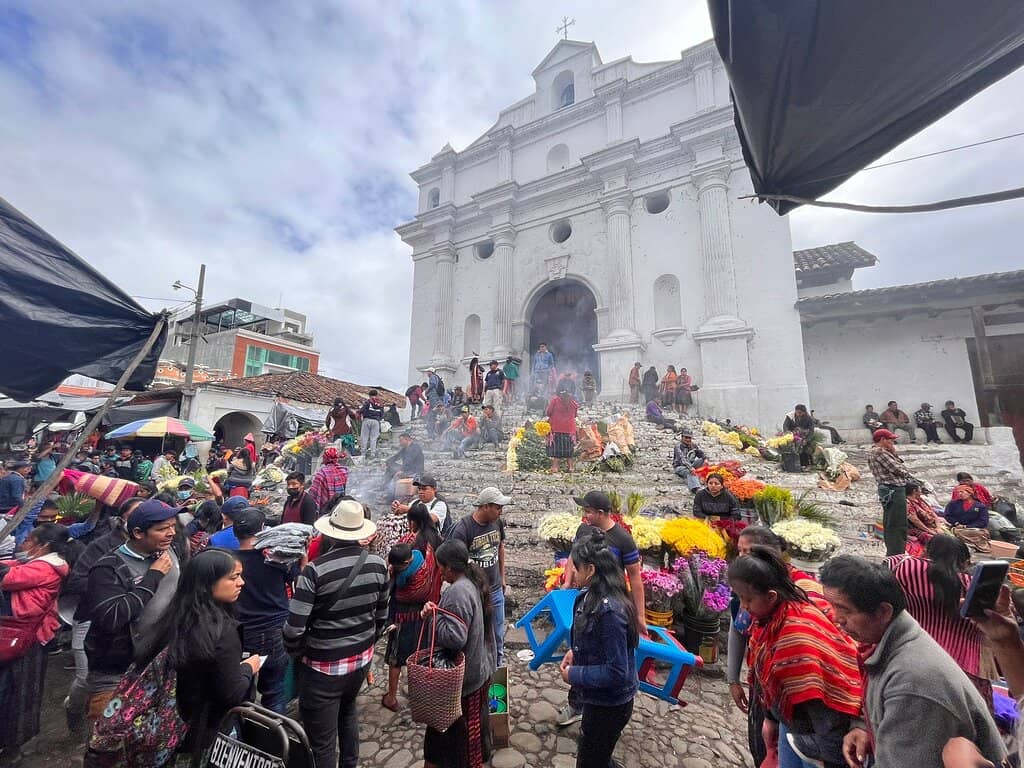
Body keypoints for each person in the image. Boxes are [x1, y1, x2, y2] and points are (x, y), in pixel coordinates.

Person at [818, 555, 1005, 768]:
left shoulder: (912, 682)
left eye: (846, 610)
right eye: (834, 607)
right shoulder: (887, 641)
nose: (837, 618)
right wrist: (864, 726)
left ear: (884, 611)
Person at [728, 547, 862, 768]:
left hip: (822, 738)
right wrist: (771, 718)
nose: (743, 606)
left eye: (747, 599)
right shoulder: (772, 619)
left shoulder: (793, 637)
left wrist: (830, 760)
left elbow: (822, 709)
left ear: (771, 596)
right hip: (796, 725)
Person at [284, 498, 388, 768]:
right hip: (360, 663)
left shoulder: (314, 571)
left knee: (322, 741)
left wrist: (300, 652)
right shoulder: (378, 565)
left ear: (330, 531)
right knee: (348, 713)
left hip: (321, 668)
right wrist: (363, 644)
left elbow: (294, 628)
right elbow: (381, 618)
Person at [146, 547, 262, 763]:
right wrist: (248, 667)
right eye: (234, 577)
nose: (242, 583)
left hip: (167, 727)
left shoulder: (173, 618)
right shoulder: (222, 632)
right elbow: (231, 693)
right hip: (205, 733)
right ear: (208, 584)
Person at [726, 527, 823, 767]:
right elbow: (738, 629)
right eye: (740, 552)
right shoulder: (751, 587)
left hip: (803, 698)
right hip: (767, 687)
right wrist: (733, 679)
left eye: (749, 552)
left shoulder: (800, 592)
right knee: (764, 745)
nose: (743, 558)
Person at [82, 499, 180, 724]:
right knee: (108, 738)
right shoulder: (108, 569)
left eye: (172, 526)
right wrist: (152, 578)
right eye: (162, 528)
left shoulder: (167, 552)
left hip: (156, 666)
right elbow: (112, 618)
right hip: (115, 672)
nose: (171, 533)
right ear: (138, 533)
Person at [560, 490, 646, 724]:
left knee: (607, 655)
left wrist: (640, 615)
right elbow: (572, 557)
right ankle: (577, 702)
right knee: (584, 650)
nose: (585, 515)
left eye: (588, 511)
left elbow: (635, 578)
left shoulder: (623, 539)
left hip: (608, 602)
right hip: (589, 600)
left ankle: (598, 708)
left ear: (600, 513)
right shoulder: (584, 532)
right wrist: (568, 582)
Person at [560, 532, 638, 768]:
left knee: (591, 760)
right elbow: (591, 640)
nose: (573, 573)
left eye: (577, 568)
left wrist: (573, 674)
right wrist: (576, 652)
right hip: (595, 697)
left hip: (611, 705)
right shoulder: (588, 597)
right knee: (597, 756)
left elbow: (617, 671)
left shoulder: (611, 611)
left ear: (591, 570)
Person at [63, 496, 141, 730]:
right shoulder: (102, 545)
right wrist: (112, 588)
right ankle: (73, 708)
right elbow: (77, 581)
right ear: (124, 518)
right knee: (85, 678)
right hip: (91, 619)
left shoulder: (154, 548)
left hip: (129, 623)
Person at [420, 539, 496, 768]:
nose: (439, 573)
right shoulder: (472, 581)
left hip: (461, 684)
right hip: (478, 674)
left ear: (451, 568)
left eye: (440, 568)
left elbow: (455, 638)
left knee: (446, 746)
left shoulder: (457, 592)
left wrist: (433, 616)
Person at [891, 535, 993, 706]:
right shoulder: (972, 585)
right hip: (964, 663)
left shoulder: (905, 568)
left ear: (926, 551)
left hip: (912, 651)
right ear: (964, 561)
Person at [0, 524, 75, 752]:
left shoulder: (46, 568)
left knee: (16, 691)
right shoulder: (38, 563)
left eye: (29, 540)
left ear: (44, 546)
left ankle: (10, 744)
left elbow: (7, 577)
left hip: (26, 637)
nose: (23, 543)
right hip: (21, 635)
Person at [381, 503, 443, 712]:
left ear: (413, 521)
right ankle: (422, 695)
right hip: (429, 606)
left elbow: (396, 573)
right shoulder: (437, 539)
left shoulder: (410, 542)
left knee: (397, 652)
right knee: (424, 650)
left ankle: (391, 697)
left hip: (404, 609)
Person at [233, 508, 291, 714]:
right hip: (275, 631)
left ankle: (242, 737)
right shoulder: (276, 559)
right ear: (262, 530)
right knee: (274, 690)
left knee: (241, 688)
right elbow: (295, 581)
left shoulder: (228, 562)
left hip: (240, 634)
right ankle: (274, 739)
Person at [447, 487, 510, 666]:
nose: (501, 511)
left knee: (497, 634)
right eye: (498, 507)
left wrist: (502, 576)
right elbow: (455, 563)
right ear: (485, 506)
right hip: (474, 592)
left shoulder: (497, 523)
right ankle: (474, 673)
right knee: (475, 635)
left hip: (495, 589)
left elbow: (500, 548)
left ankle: (497, 672)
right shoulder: (463, 529)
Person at [867, 428, 921, 556]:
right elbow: (898, 468)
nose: (892, 442)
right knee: (897, 523)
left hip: (889, 489)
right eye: (890, 440)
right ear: (882, 440)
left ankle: (894, 552)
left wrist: (893, 452)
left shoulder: (879, 451)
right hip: (893, 489)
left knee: (891, 522)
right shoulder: (879, 451)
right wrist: (914, 480)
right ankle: (896, 554)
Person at [546, 387, 580, 473]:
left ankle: (555, 467)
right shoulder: (573, 403)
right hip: (570, 430)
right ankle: (570, 467)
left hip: (557, 429)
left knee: (557, 449)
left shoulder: (555, 400)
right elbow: (575, 415)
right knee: (569, 449)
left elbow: (548, 412)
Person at [309, 446, 349, 512]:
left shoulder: (321, 473)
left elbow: (313, 494)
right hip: (340, 506)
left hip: (325, 508)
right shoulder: (344, 471)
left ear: (325, 458)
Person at [359, 389, 386, 459]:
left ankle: (363, 454)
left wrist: (359, 413)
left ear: (369, 395)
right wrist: (378, 419)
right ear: (377, 395)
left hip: (367, 420)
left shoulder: (368, 402)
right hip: (376, 422)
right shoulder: (380, 403)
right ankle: (372, 454)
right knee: (373, 438)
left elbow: (362, 410)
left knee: (364, 437)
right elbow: (382, 414)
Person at [424, 367, 445, 439]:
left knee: (432, 414)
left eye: (428, 371)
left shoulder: (432, 377)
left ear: (431, 372)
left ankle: (432, 434)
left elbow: (432, 385)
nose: (427, 373)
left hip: (433, 396)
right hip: (434, 397)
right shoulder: (436, 377)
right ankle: (431, 433)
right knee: (431, 414)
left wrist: (427, 390)